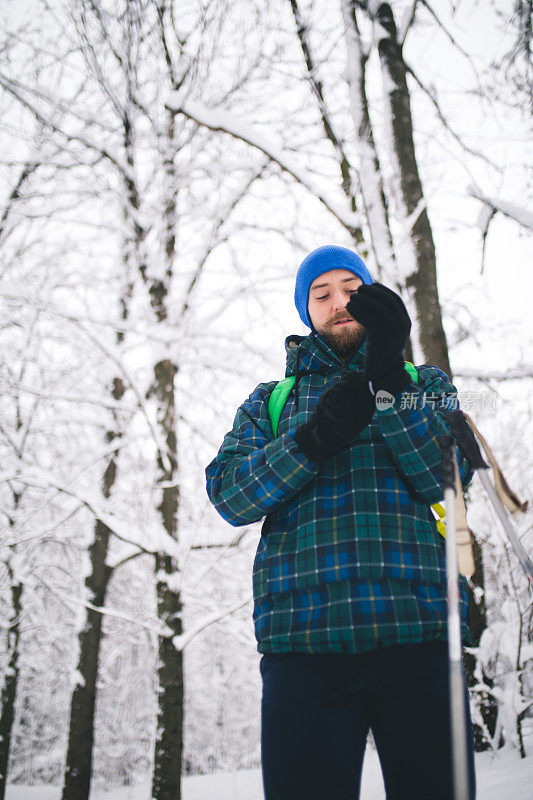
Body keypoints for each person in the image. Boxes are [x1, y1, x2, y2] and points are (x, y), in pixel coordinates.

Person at [205, 244, 476, 800]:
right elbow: (230, 494)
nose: (338, 302)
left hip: (420, 636)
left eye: (350, 288)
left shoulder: (425, 384)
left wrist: (390, 384)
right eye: (321, 293)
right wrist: (310, 441)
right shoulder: (270, 402)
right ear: (307, 313)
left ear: (373, 296)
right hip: (304, 649)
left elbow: (447, 480)